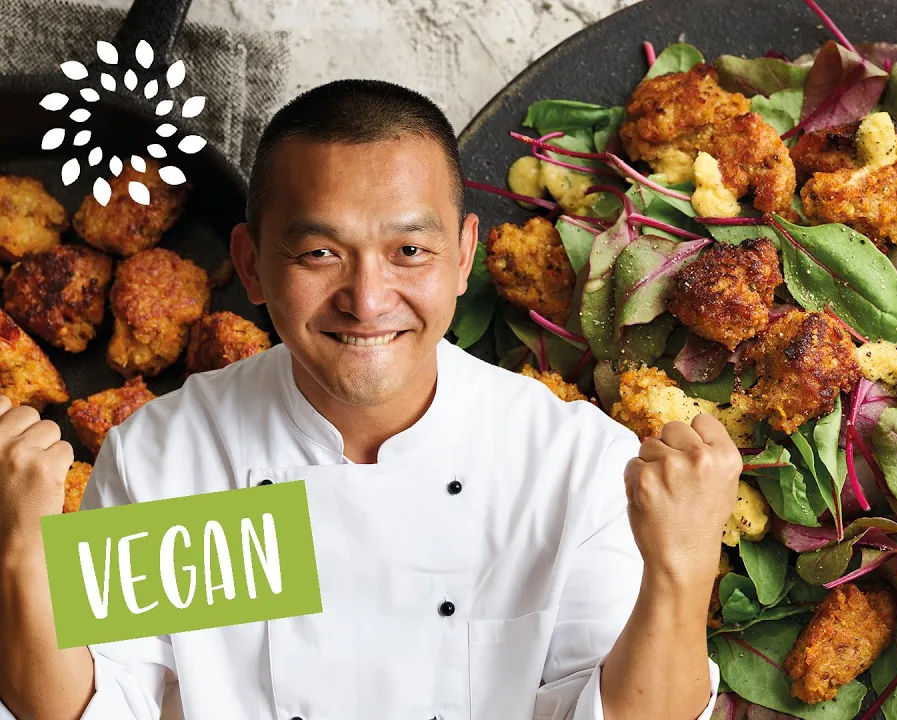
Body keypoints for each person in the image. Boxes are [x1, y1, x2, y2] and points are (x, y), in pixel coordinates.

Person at [0, 79, 741, 720]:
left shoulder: (572, 466)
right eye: (320, 253)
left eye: (410, 251)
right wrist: (19, 554)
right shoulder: (177, 458)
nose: (367, 299)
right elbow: (87, 708)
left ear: (463, 256)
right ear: (251, 267)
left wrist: (685, 564)